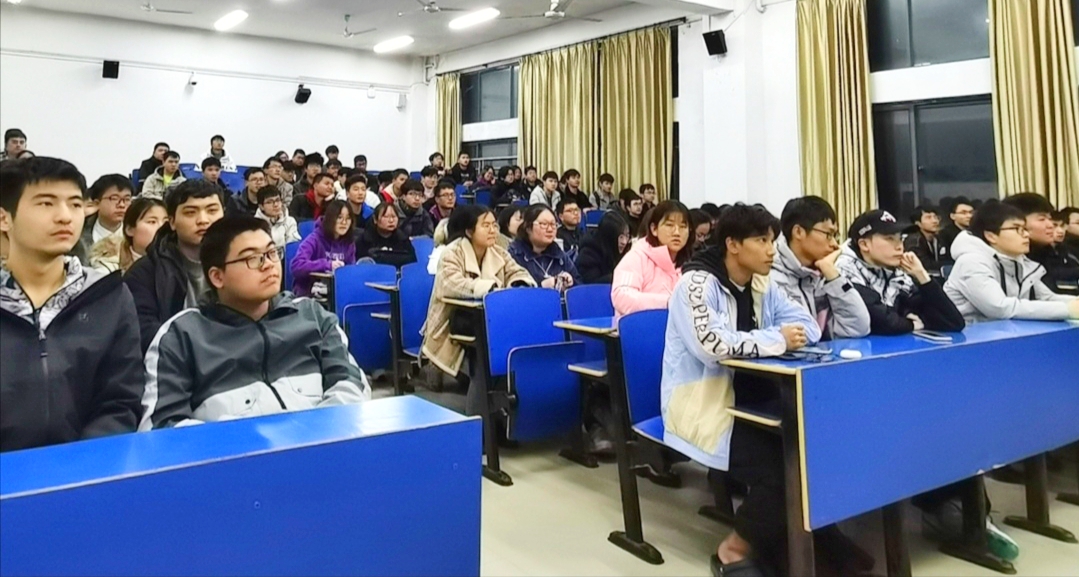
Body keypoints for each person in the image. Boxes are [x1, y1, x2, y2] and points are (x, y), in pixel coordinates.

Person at [661, 203, 821, 577]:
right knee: (782, 469)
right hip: (704, 404)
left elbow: (809, 326)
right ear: (733, 244)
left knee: (815, 452)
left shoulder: (763, 283)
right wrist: (776, 339)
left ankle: (806, 543)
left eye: (772, 241)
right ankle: (733, 550)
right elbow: (712, 346)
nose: (771, 250)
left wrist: (775, 337)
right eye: (761, 241)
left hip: (758, 400)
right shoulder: (696, 285)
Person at [140, 216, 369, 429]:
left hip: (322, 447)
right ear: (217, 276)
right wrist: (252, 442)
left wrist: (310, 435)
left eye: (271, 253)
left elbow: (352, 386)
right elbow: (162, 427)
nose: (268, 264)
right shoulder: (182, 336)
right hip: (233, 456)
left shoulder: (312, 316)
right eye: (252, 258)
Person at [0, 156, 144, 453]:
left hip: (85, 469)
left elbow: (120, 400)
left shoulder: (108, 296)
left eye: (75, 204)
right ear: (4, 218)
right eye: (46, 203)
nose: (65, 217)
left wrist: (80, 465)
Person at [421, 205, 535, 380]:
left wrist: (519, 285)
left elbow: (518, 272)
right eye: (486, 225)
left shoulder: (497, 251)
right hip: (455, 318)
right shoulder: (452, 252)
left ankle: (511, 377)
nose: (493, 230)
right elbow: (452, 284)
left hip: (490, 314)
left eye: (494, 225)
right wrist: (490, 289)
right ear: (469, 231)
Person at [125, 179, 226, 352]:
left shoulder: (242, 263)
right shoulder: (145, 273)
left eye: (212, 211)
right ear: (171, 222)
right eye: (190, 212)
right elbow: (144, 332)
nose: (203, 220)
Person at [944, 200, 1078, 324]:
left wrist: (1073, 303)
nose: (1026, 235)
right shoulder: (971, 262)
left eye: (1024, 229)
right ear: (991, 236)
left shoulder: (1018, 260)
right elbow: (999, 308)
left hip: (1005, 332)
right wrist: (1067, 310)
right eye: (1016, 229)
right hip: (970, 335)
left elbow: (1046, 298)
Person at [836, 209, 965, 335]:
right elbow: (878, 320)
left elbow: (953, 322)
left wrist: (922, 276)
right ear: (864, 244)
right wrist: (910, 324)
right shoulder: (843, 269)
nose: (899, 246)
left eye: (900, 239)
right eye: (890, 239)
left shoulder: (896, 273)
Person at [770, 197, 871, 340]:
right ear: (798, 232)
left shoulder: (823, 274)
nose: (835, 244)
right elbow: (800, 337)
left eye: (835, 236)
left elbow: (858, 328)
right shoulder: (770, 277)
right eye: (828, 235)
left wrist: (833, 277)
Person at [611, 200, 691, 318]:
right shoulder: (636, 257)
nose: (677, 232)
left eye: (683, 226)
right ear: (654, 229)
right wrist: (668, 302)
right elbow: (621, 296)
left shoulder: (690, 263)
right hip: (641, 327)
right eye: (669, 225)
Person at [1003, 193, 1079, 295]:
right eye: (1042, 219)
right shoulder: (1009, 258)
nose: (1050, 225)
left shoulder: (1047, 251)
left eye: (1049, 219)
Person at [290, 200, 356, 298]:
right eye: (339, 217)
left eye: (348, 218)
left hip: (337, 293)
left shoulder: (349, 243)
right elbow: (296, 266)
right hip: (309, 295)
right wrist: (327, 265)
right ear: (330, 218)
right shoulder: (314, 239)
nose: (344, 222)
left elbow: (351, 272)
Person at [508, 204, 581, 290]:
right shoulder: (514, 255)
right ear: (528, 228)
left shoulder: (559, 255)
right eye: (544, 224)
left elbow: (579, 286)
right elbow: (513, 291)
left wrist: (571, 282)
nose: (550, 229)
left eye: (553, 224)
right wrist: (541, 286)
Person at [89, 197, 167, 274]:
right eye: (152, 222)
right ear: (129, 229)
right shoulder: (109, 267)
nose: (162, 227)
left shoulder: (171, 263)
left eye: (166, 222)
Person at [77, 174, 132, 263]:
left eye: (127, 199)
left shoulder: (136, 233)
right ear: (96, 203)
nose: (122, 205)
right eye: (114, 198)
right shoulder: (79, 234)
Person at [355, 203, 418, 268]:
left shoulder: (403, 240)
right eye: (386, 216)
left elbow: (412, 263)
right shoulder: (364, 240)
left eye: (393, 216)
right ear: (375, 219)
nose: (391, 220)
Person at [577, 211, 631, 284]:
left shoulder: (627, 250)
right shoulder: (588, 253)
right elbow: (592, 283)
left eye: (627, 236)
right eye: (620, 237)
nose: (624, 242)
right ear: (609, 236)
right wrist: (621, 276)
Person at [903, 205, 945, 274]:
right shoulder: (914, 241)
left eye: (936, 217)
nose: (935, 221)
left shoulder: (939, 238)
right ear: (918, 223)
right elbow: (924, 265)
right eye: (928, 217)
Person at [938, 196, 974, 265]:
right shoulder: (945, 234)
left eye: (971, 212)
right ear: (952, 216)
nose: (969, 216)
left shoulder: (977, 232)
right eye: (963, 213)